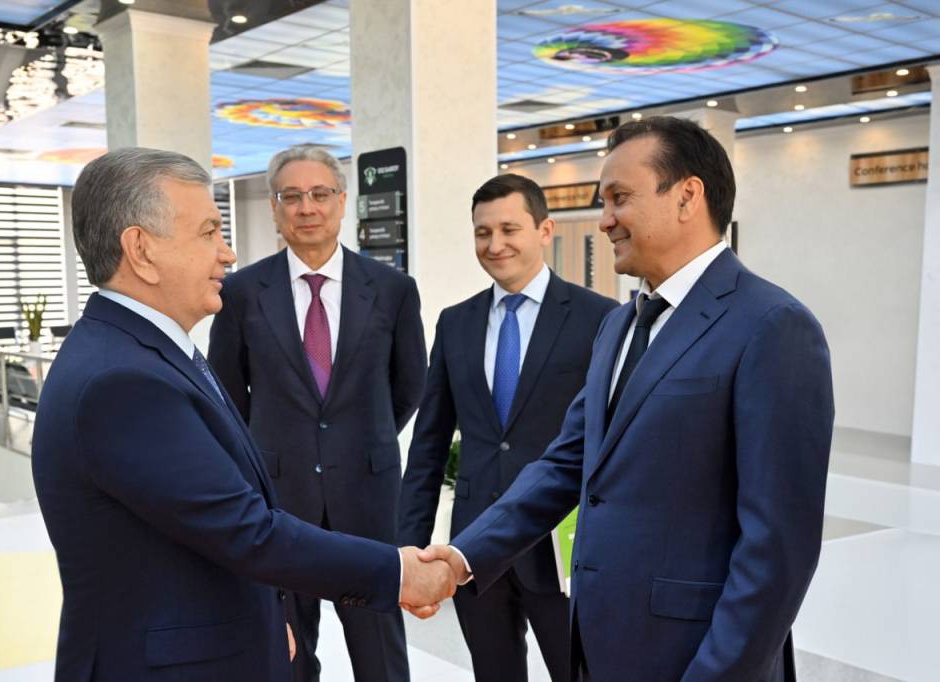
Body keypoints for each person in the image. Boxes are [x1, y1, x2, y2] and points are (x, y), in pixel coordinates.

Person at [419, 116, 834, 681]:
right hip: (600, 643)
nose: (604, 219)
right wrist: (462, 558)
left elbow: (777, 550)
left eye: (619, 198)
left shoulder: (772, 325)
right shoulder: (619, 325)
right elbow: (566, 463)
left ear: (687, 196)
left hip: (696, 657)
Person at [31, 147, 451, 681]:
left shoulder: (142, 353)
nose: (227, 254)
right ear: (141, 250)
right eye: (209, 232)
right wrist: (399, 572)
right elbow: (242, 529)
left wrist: (263, 611)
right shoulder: (123, 382)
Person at [208, 145, 427, 682]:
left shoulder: (393, 290)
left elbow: (409, 387)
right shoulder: (240, 292)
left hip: (368, 497)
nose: (307, 207)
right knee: (287, 652)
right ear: (274, 208)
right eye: (291, 196)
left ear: (342, 201)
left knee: (379, 652)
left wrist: (359, 443)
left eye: (320, 194)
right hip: (279, 499)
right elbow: (229, 396)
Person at [398, 173, 616, 682]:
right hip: (475, 546)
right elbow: (429, 443)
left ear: (545, 230)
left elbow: (614, 442)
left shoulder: (600, 318)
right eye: (483, 232)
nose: (495, 245)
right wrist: (410, 550)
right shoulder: (456, 322)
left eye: (509, 229)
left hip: (564, 548)